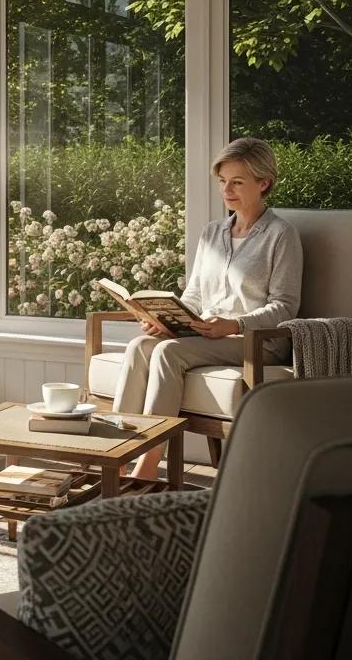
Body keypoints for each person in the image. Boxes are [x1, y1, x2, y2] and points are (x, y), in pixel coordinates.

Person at [113, 137, 302, 479]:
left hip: (256, 343)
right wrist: (166, 319)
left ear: (264, 183)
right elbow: (195, 294)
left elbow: (285, 307)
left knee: (169, 353)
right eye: (222, 181)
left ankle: (146, 468)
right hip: (206, 335)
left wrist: (232, 325)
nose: (227, 190)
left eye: (237, 182)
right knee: (141, 345)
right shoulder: (212, 233)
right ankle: (116, 454)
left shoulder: (281, 235)